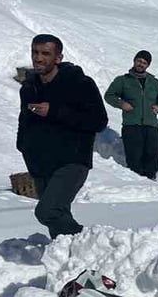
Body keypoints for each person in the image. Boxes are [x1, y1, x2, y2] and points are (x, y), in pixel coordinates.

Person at [16, 34, 108, 238]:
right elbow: (24, 121)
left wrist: (55, 111)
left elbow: (99, 121)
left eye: (45, 54)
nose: (38, 58)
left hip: (72, 160)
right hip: (41, 164)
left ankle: (92, 244)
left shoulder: (79, 83)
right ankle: (73, 262)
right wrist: (23, 146)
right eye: (35, 52)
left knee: (46, 211)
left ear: (58, 58)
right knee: (57, 220)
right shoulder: (29, 88)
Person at [103, 49, 158, 179]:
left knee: (153, 155)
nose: (141, 64)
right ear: (134, 61)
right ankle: (137, 182)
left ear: (148, 65)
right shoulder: (123, 80)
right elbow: (109, 95)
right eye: (139, 61)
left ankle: (152, 181)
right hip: (132, 124)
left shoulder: (153, 82)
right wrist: (122, 104)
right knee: (134, 156)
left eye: (144, 62)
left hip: (151, 124)